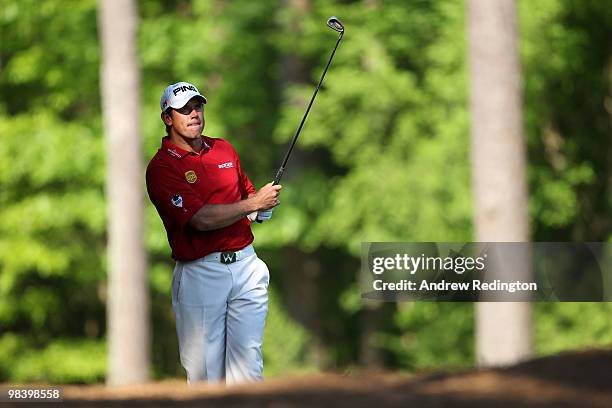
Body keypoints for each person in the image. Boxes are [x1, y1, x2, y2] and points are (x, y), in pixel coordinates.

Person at [146, 81, 281, 384]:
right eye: (184, 110)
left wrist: (261, 207)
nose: (194, 114)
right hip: (201, 273)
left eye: (197, 106)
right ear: (168, 118)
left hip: (246, 266)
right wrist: (253, 203)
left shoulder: (223, 148)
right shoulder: (162, 167)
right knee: (207, 376)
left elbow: (247, 197)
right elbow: (200, 220)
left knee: (248, 370)